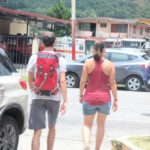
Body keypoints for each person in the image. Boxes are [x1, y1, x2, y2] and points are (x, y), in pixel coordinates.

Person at [27, 31, 68, 150]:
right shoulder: (61, 60)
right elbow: (62, 81)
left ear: (42, 43)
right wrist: (65, 100)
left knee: (37, 131)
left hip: (37, 96)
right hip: (54, 97)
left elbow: (30, 80)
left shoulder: (34, 58)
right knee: (52, 127)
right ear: (55, 43)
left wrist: (33, 90)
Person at [79, 41, 118, 150]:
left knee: (87, 125)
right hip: (104, 99)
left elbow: (82, 81)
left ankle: (86, 144)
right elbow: (113, 83)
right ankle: (97, 148)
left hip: (89, 98)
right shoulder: (110, 65)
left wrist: (80, 95)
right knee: (101, 125)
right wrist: (116, 99)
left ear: (93, 50)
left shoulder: (87, 63)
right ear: (104, 50)